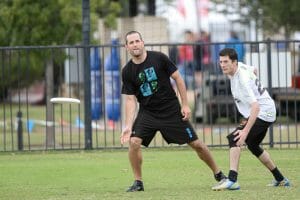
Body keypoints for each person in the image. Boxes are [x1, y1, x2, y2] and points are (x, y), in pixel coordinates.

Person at [121, 30, 226, 192]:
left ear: (142, 43)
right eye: (131, 42)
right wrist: (127, 126)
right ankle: (138, 182)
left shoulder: (159, 58)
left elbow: (178, 78)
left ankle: (219, 175)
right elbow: (130, 100)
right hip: (147, 112)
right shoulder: (127, 71)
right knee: (134, 142)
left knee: (196, 144)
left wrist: (184, 104)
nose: (135, 45)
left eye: (137, 41)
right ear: (126, 46)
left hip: (170, 109)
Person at [212, 48, 290, 191]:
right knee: (253, 146)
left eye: (226, 62)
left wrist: (245, 131)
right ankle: (281, 179)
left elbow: (255, 107)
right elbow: (254, 70)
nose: (222, 65)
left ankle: (232, 180)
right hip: (263, 110)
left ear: (234, 62)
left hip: (263, 112)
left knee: (234, 138)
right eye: (221, 62)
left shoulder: (242, 80)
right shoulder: (240, 66)